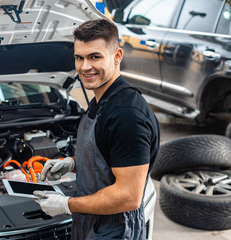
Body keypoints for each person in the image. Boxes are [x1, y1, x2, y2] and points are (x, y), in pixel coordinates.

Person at [33, 18, 160, 240]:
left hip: (117, 230)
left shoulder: (126, 114)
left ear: (117, 56)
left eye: (95, 57)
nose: (84, 67)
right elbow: (107, 155)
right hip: (92, 220)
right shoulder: (102, 100)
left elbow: (128, 196)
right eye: (79, 57)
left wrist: (66, 204)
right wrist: (73, 163)